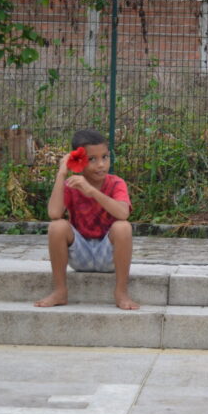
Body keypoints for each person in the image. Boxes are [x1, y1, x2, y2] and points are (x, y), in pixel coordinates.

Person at [34, 128, 138, 311]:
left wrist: (92, 192)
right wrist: (61, 174)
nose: (101, 164)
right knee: (57, 227)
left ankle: (121, 292)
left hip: (108, 255)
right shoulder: (72, 185)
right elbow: (54, 213)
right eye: (92, 159)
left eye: (105, 157)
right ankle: (60, 291)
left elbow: (123, 214)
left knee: (123, 227)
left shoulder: (116, 183)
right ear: (78, 161)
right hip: (80, 253)